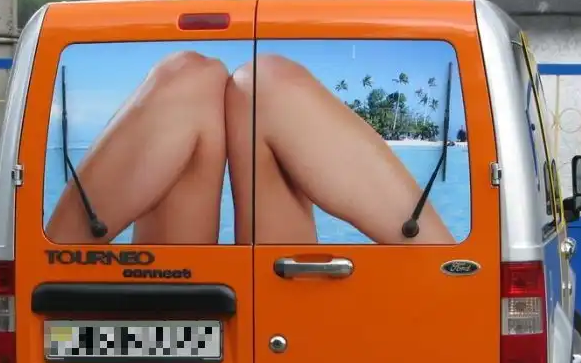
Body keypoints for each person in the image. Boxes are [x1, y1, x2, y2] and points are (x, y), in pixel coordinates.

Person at [45, 50, 455, 246]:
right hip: (271, 334)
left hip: (167, 334)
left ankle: (47, 276)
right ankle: (456, 279)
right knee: (201, 78)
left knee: (251, 84)